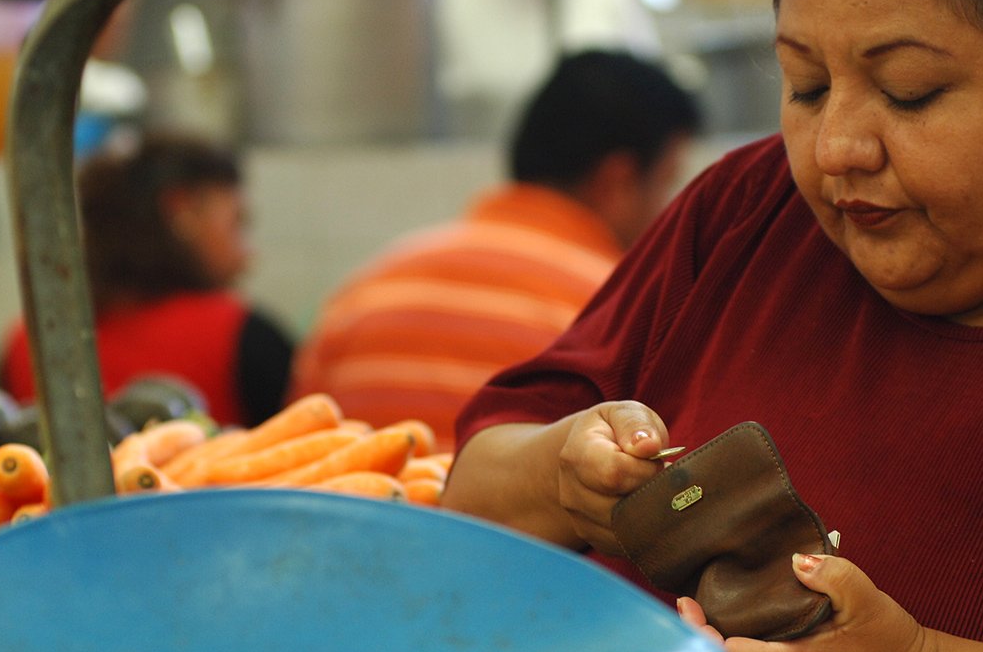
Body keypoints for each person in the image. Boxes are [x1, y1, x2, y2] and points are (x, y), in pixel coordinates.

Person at [441, 0, 983, 652]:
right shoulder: (749, 211)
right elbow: (469, 502)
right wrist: (560, 472)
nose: (838, 147)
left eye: (908, 92)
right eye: (806, 86)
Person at [288, 49, 702, 449]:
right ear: (620, 181)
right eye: (668, 182)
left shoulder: (359, 295)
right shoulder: (626, 315)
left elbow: (291, 461)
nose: (669, 207)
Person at [0, 131, 295, 428]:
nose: (248, 255)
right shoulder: (244, 334)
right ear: (183, 210)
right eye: (237, 223)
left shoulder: (26, 340)